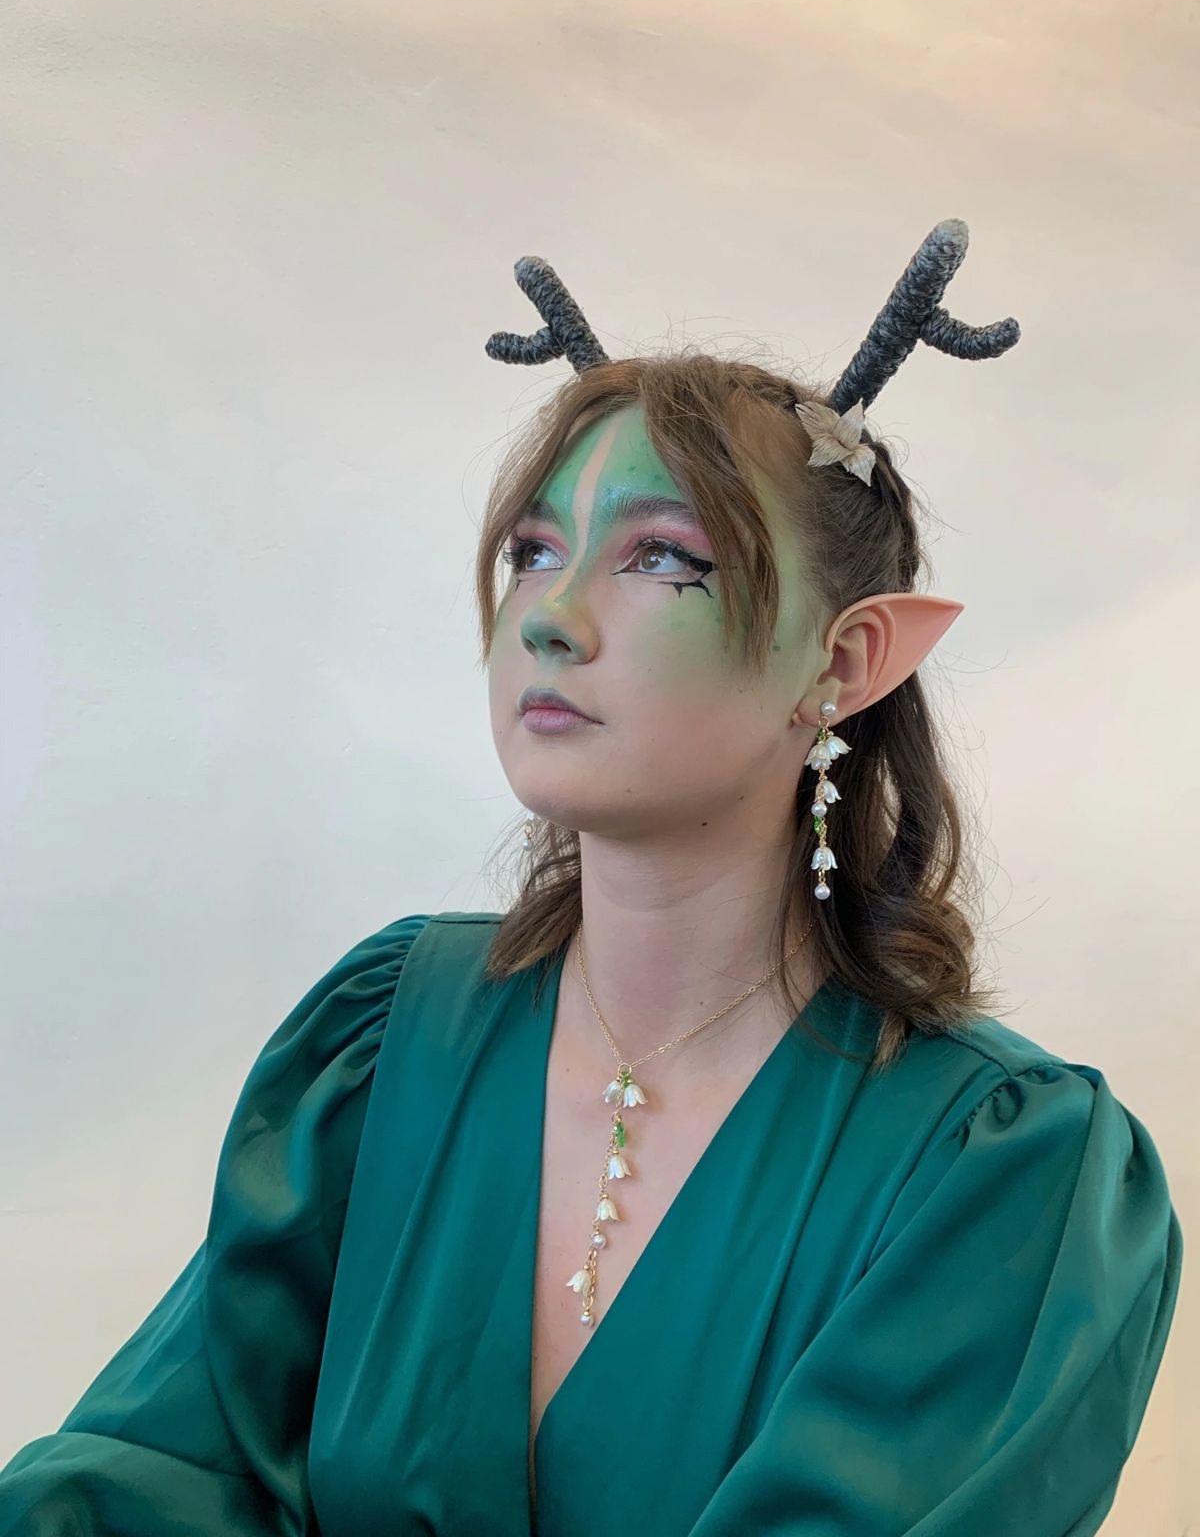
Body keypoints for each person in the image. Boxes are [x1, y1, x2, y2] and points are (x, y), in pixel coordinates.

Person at [0, 221, 1182, 1536]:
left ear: (847, 662)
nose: (550, 618)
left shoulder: (1007, 1177)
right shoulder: (386, 1042)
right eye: (532, 552)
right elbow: (164, 1471)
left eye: (662, 556)